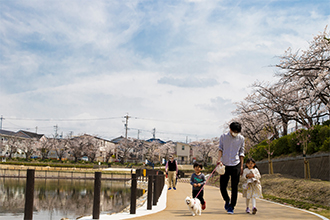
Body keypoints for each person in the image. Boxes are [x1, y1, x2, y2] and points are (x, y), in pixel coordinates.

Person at [217, 121, 245, 214]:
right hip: (224, 164)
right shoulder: (223, 137)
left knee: (234, 187)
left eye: (237, 132)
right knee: (222, 187)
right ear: (230, 129)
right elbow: (220, 148)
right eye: (234, 131)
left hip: (236, 164)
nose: (235, 133)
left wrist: (241, 166)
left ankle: (232, 206)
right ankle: (227, 200)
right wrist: (219, 159)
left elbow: (242, 152)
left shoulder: (241, 138)